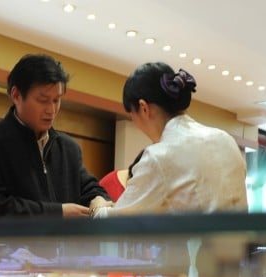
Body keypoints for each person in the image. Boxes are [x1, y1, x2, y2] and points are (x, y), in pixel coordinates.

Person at [0, 54, 111, 218]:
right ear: (16, 95)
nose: (51, 110)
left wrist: (98, 199)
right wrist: (58, 213)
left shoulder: (68, 148)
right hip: (9, 244)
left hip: (63, 244)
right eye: (43, 100)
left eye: (57, 100)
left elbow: (89, 187)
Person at [94, 63, 248, 217]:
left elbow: (117, 223)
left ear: (144, 108)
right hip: (239, 240)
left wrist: (98, 207)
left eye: (132, 115)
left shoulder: (159, 156)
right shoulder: (225, 139)